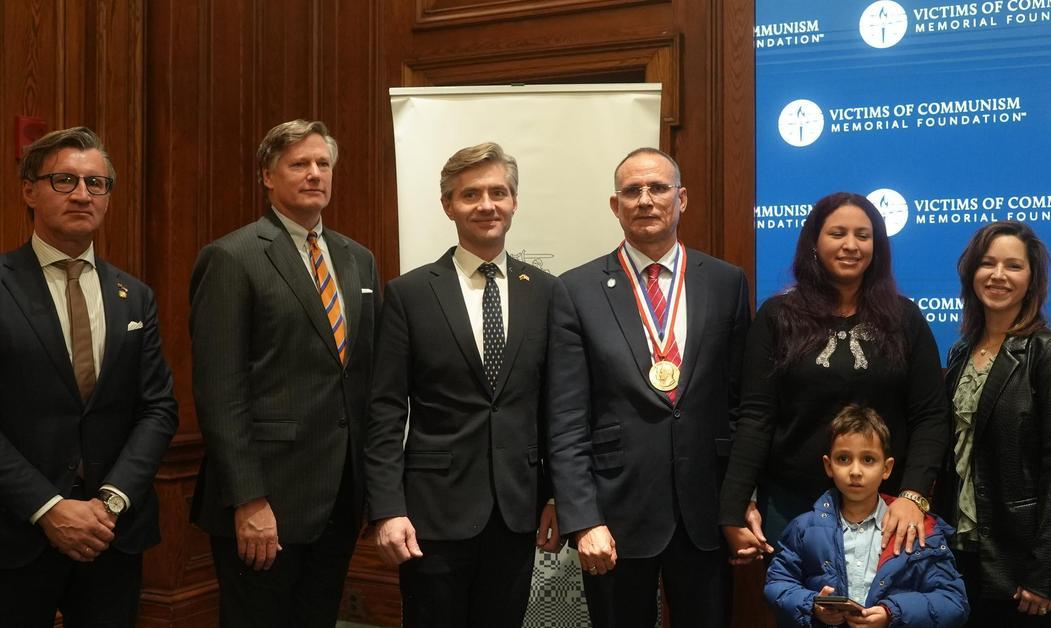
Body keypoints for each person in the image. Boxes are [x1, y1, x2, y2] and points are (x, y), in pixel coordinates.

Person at [547, 147, 751, 628]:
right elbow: (566, 418)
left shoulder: (726, 282)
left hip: (707, 511)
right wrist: (583, 519)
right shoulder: (576, 290)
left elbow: (743, 405)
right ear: (615, 206)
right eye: (632, 191)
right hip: (616, 513)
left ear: (682, 199)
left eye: (658, 188)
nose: (645, 200)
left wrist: (743, 500)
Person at [189, 119, 380, 627]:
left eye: (323, 164)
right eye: (299, 164)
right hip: (265, 501)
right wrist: (249, 500)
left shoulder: (358, 260)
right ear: (268, 177)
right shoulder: (233, 257)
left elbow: (362, 380)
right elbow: (219, 390)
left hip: (339, 497)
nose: (315, 173)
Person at [364, 142, 562, 628]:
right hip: (431, 514)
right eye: (470, 194)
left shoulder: (545, 291)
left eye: (499, 192)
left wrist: (556, 496)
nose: (487, 205)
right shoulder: (409, 293)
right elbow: (385, 409)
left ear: (515, 201)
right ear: (448, 205)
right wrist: (387, 508)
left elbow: (555, 405)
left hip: (517, 511)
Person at [0, 127, 179, 625]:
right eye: (64, 180)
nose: (82, 194)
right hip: (16, 531)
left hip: (112, 534)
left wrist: (111, 500)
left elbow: (158, 407)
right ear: (29, 190)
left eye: (96, 183)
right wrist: (48, 507)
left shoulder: (134, 295)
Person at [720, 192, 949, 563]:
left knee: (881, 616)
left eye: (863, 235)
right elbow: (756, 417)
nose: (850, 245)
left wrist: (913, 496)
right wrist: (733, 508)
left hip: (888, 508)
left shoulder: (904, 318)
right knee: (803, 611)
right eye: (837, 233)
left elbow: (931, 416)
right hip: (793, 505)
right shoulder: (778, 316)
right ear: (814, 242)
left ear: (877, 246)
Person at [939, 221, 1051, 626]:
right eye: (987, 264)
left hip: (1022, 563)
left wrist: (1044, 572)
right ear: (971, 272)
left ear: (1032, 280)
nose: (997, 275)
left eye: (1013, 266)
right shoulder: (961, 352)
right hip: (964, 551)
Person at [766, 404, 968, 628]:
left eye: (868, 460)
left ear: (887, 468)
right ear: (828, 465)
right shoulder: (804, 528)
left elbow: (953, 601)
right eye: (843, 459)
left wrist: (892, 613)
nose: (855, 471)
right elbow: (778, 582)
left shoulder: (919, 530)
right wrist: (811, 604)